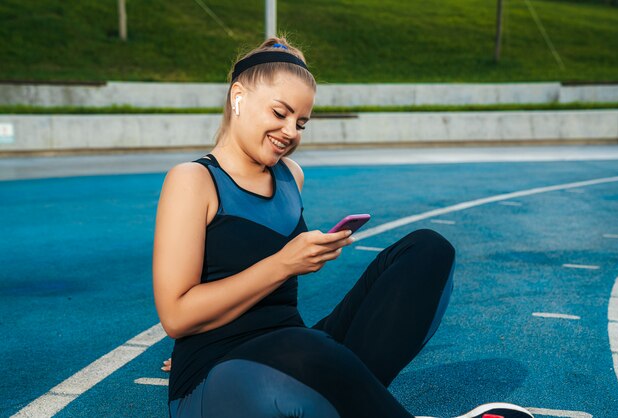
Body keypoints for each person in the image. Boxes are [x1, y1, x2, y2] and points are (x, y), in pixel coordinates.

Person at [152, 37, 534, 418]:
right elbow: (176, 316)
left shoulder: (290, 177)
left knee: (428, 251)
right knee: (306, 351)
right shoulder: (193, 180)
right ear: (238, 96)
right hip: (213, 377)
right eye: (280, 113)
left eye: (301, 123)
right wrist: (284, 263)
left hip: (295, 350)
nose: (290, 132)